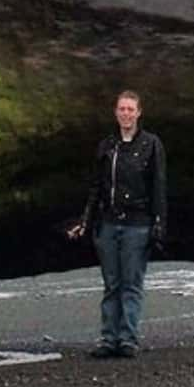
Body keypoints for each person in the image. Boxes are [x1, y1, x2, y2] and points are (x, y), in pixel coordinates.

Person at [67, 89, 167, 358]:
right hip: (108, 224)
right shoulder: (107, 146)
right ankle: (108, 338)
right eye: (122, 109)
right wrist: (85, 220)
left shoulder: (151, 144)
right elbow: (96, 186)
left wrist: (158, 224)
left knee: (131, 283)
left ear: (139, 113)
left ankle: (128, 339)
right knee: (112, 283)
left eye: (130, 109)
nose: (126, 114)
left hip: (137, 223)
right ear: (116, 112)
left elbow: (158, 186)